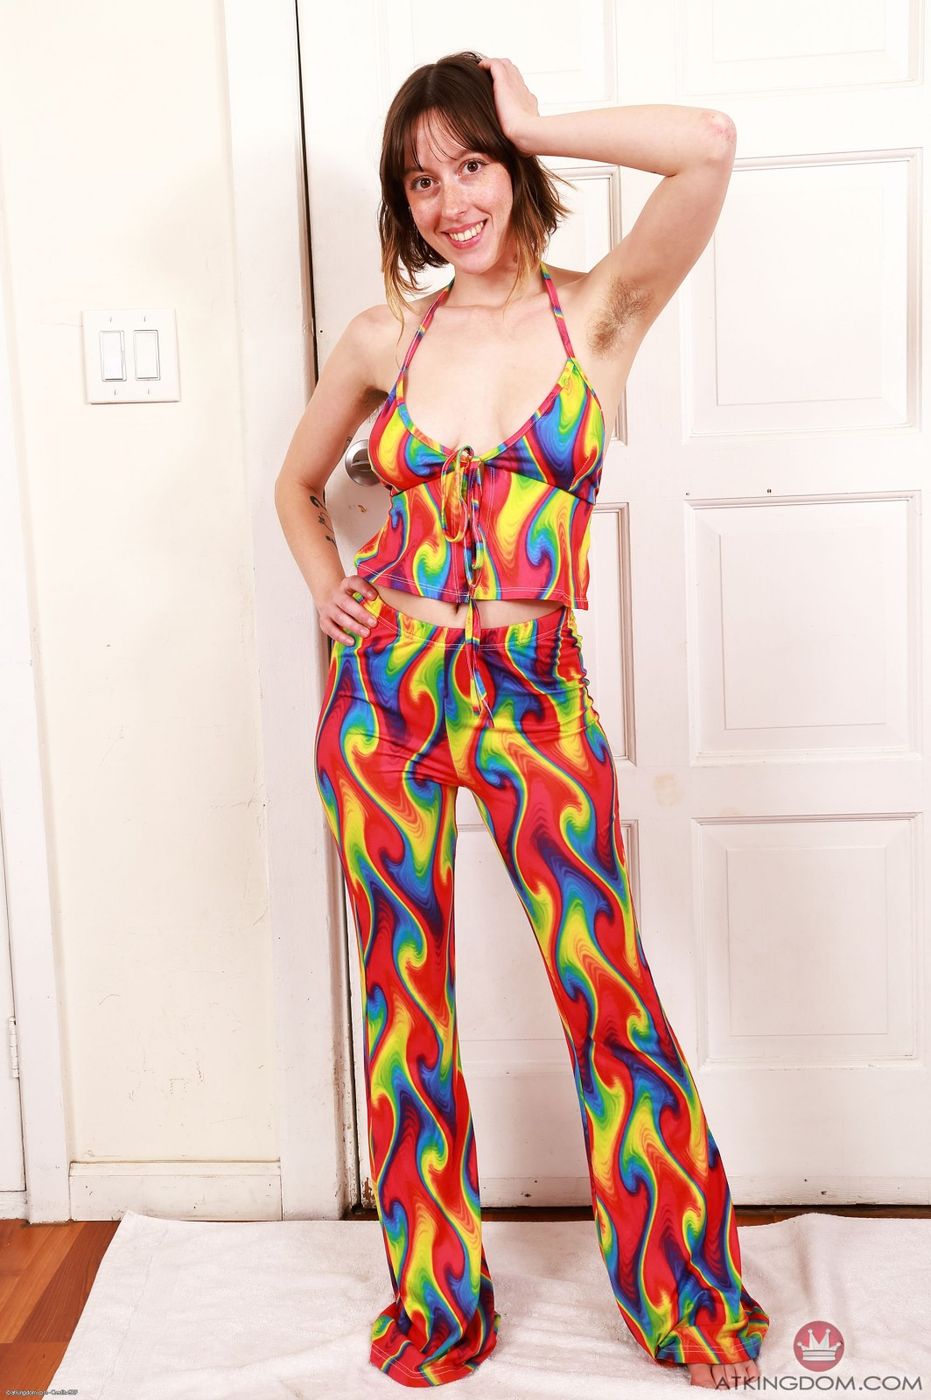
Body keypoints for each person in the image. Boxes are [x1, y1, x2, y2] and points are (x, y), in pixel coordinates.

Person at [275, 50, 770, 1391]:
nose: (451, 202)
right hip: (384, 700)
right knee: (403, 999)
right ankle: (439, 1304)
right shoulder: (386, 338)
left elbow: (709, 141)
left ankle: (686, 1294)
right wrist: (328, 590)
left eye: (473, 164)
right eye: (420, 181)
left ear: (515, 168)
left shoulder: (596, 315)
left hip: (533, 696)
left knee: (604, 986)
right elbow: (297, 487)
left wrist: (538, 118)